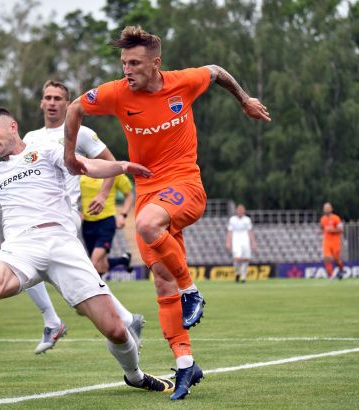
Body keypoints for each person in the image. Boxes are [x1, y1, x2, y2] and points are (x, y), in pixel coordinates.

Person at [62, 26, 271, 400]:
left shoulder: (183, 83)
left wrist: (244, 100)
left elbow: (216, 71)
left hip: (185, 184)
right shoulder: (117, 93)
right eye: (124, 63)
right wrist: (68, 156)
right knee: (161, 281)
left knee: (146, 225)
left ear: (156, 63)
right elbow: (75, 107)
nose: (127, 70)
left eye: (135, 63)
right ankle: (186, 364)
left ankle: (192, 291)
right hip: (148, 192)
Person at [0, 108, 173, 393]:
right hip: (20, 247)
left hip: (62, 244)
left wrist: (122, 166)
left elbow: (86, 165)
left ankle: (134, 375)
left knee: (116, 330)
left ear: (13, 126)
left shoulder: (46, 152)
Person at [22, 80, 145, 354]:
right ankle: (127, 319)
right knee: (72, 279)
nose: (52, 103)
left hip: (64, 215)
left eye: (58, 98)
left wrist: (103, 193)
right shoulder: (30, 138)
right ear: (41, 103)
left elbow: (112, 163)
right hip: (38, 215)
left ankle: (53, 322)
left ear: (68, 105)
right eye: (48, 97)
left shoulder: (81, 132)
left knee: (28, 261)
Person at [80, 173, 134, 276]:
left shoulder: (114, 172)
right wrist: (78, 211)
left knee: (94, 261)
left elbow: (129, 195)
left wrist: (123, 215)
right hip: (87, 224)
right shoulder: (83, 170)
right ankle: (123, 260)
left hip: (106, 222)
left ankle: (91, 285)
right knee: (101, 265)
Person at [226, 204, 256, 283]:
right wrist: (228, 242)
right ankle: (237, 272)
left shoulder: (247, 220)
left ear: (244, 211)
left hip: (245, 240)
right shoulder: (232, 219)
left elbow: (250, 232)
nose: (240, 212)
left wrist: (253, 242)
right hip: (236, 240)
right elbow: (229, 231)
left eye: (241, 210)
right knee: (237, 258)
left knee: (246, 259)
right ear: (236, 211)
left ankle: (243, 276)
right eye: (239, 210)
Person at [320, 202, 344, 280]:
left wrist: (333, 230)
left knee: (336, 259)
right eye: (325, 208)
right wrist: (320, 232)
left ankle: (341, 270)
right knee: (326, 257)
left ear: (331, 209)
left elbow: (341, 229)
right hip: (326, 241)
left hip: (335, 241)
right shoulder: (322, 219)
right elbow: (323, 229)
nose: (326, 210)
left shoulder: (336, 218)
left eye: (328, 208)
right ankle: (331, 275)